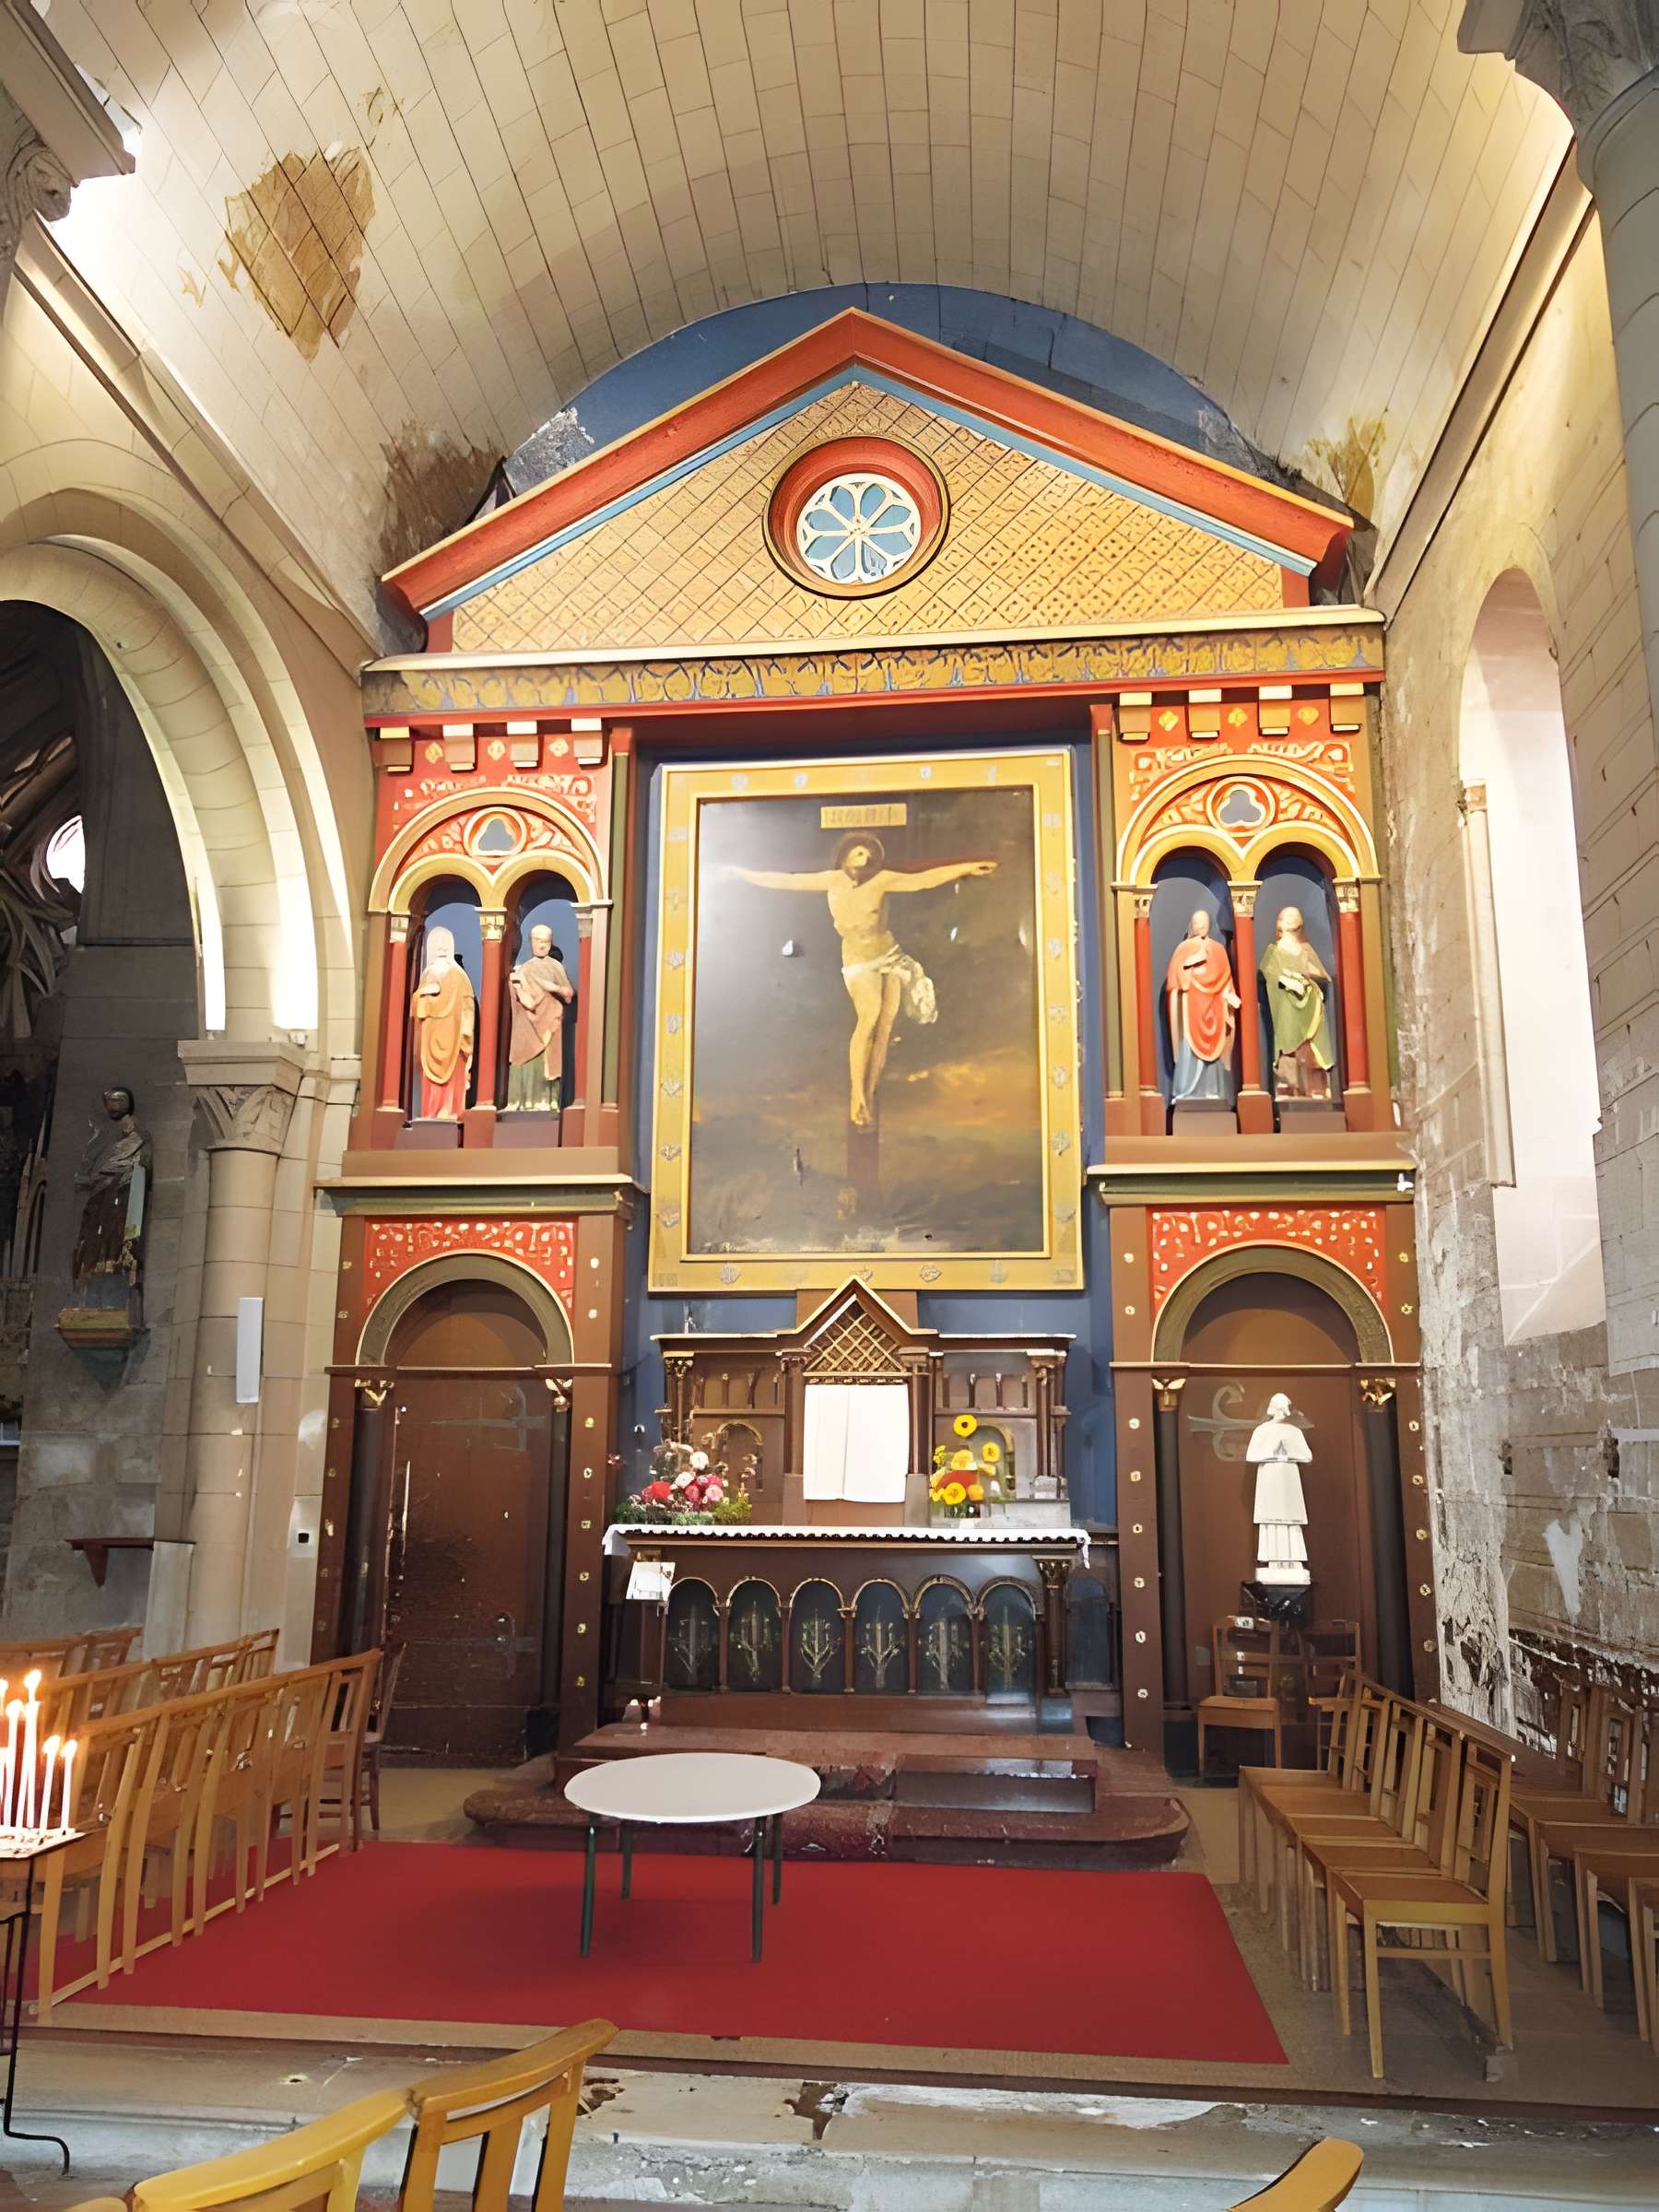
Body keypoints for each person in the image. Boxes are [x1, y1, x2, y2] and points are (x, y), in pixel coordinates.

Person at [726, 833, 996, 1126]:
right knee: (869, 1016)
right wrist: (741, 874)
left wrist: (967, 868)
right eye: (858, 854)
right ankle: (857, 1095)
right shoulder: (831, 880)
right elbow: (786, 880)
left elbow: (924, 879)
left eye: (868, 856)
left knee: (885, 1027)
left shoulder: (882, 880)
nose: (863, 859)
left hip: (890, 954)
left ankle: (868, 1094)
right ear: (844, 856)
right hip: (858, 959)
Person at [1259, 904, 1336, 1100]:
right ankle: (1289, 1085)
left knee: (1311, 1048)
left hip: (1310, 1004)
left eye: (1291, 921)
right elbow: (1269, 972)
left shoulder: (1305, 949)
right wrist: (1287, 980)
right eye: (1284, 920)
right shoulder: (1274, 951)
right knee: (1288, 1045)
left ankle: (1315, 1088)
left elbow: (1321, 975)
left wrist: (1306, 979)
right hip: (1287, 1007)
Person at [1165, 909, 1240, 1103]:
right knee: (1190, 1048)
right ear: (1192, 924)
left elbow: (1225, 979)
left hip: (1214, 1006)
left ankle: (1213, 1091)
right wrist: (1190, 965)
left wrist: (1229, 994)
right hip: (1192, 1007)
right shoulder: (1183, 949)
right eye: (1197, 921)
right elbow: (1175, 980)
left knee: (1215, 1052)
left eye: (1205, 921)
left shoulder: (1218, 950)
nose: (1202, 924)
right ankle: (1188, 1091)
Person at [506, 924, 574, 1112]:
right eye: (539, 941)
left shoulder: (555, 966)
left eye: (546, 942)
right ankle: (524, 1100)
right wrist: (517, 987)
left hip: (550, 1022)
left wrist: (554, 988)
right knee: (525, 1059)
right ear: (531, 942)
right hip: (528, 1023)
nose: (542, 946)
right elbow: (520, 1000)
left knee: (549, 1064)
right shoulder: (525, 969)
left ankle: (548, 1100)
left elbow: (569, 994)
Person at [1246, 1391, 1312, 1587]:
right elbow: (1252, 1455)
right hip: (1270, 1478)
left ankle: (1293, 1561)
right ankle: (1272, 1562)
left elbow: (1307, 1456)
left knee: (1291, 1520)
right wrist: (1273, 1454)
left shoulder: (1294, 1431)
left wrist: (1289, 1454)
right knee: (1271, 1519)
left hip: (1289, 1478)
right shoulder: (1262, 1431)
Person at [412, 924, 475, 1119]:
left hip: (453, 1037)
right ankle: (430, 1113)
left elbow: (467, 1006)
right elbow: (416, 1008)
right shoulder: (427, 975)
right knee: (430, 1086)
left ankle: (450, 1112)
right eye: (436, 944)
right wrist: (423, 992)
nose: (440, 949)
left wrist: (466, 1033)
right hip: (431, 1037)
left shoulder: (459, 976)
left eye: (444, 944)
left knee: (452, 1082)